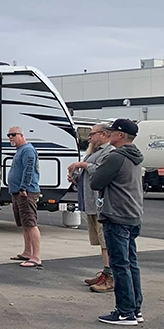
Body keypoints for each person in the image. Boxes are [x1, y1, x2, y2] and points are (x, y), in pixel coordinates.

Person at [71, 118, 145, 326]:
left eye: (112, 132)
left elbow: (96, 182)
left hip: (116, 215)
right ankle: (135, 308)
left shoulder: (115, 157)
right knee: (131, 264)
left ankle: (125, 312)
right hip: (132, 214)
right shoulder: (135, 155)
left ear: (120, 135)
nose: (109, 134)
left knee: (120, 264)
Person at [67, 123, 115, 293]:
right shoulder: (93, 152)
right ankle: (105, 271)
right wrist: (77, 177)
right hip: (90, 203)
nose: (89, 138)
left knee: (105, 242)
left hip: (101, 204)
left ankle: (110, 277)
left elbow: (102, 172)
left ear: (103, 134)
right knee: (99, 241)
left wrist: (83, 166)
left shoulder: (109, 151)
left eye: (92, 134)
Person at [7, 126, 42, 268]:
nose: (10, 137)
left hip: (26, 192)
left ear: (21, 135)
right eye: (9, 135)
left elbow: (29, 168)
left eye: (13, 135)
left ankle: (36, 257)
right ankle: (27, 252)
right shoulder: (20, 150)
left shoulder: (27, 150)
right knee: (25, 223)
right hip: (18, 192)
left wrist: (23, 187)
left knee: (31, 223)